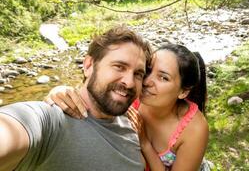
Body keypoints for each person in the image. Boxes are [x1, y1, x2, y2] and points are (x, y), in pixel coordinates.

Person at [0, 26, 152, 171]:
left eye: (138, 74)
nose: (130, 82)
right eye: (119, 66)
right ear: (88, 66)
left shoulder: (132, 120)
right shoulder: (51, 120)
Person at [46, 44, 209, 171]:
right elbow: (95, 94)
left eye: (163, 77)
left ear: (183, 91)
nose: (146, 82)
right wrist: (61, 91)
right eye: (149, 70)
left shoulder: (194, 130)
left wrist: (144, 142)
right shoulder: (134, 94)